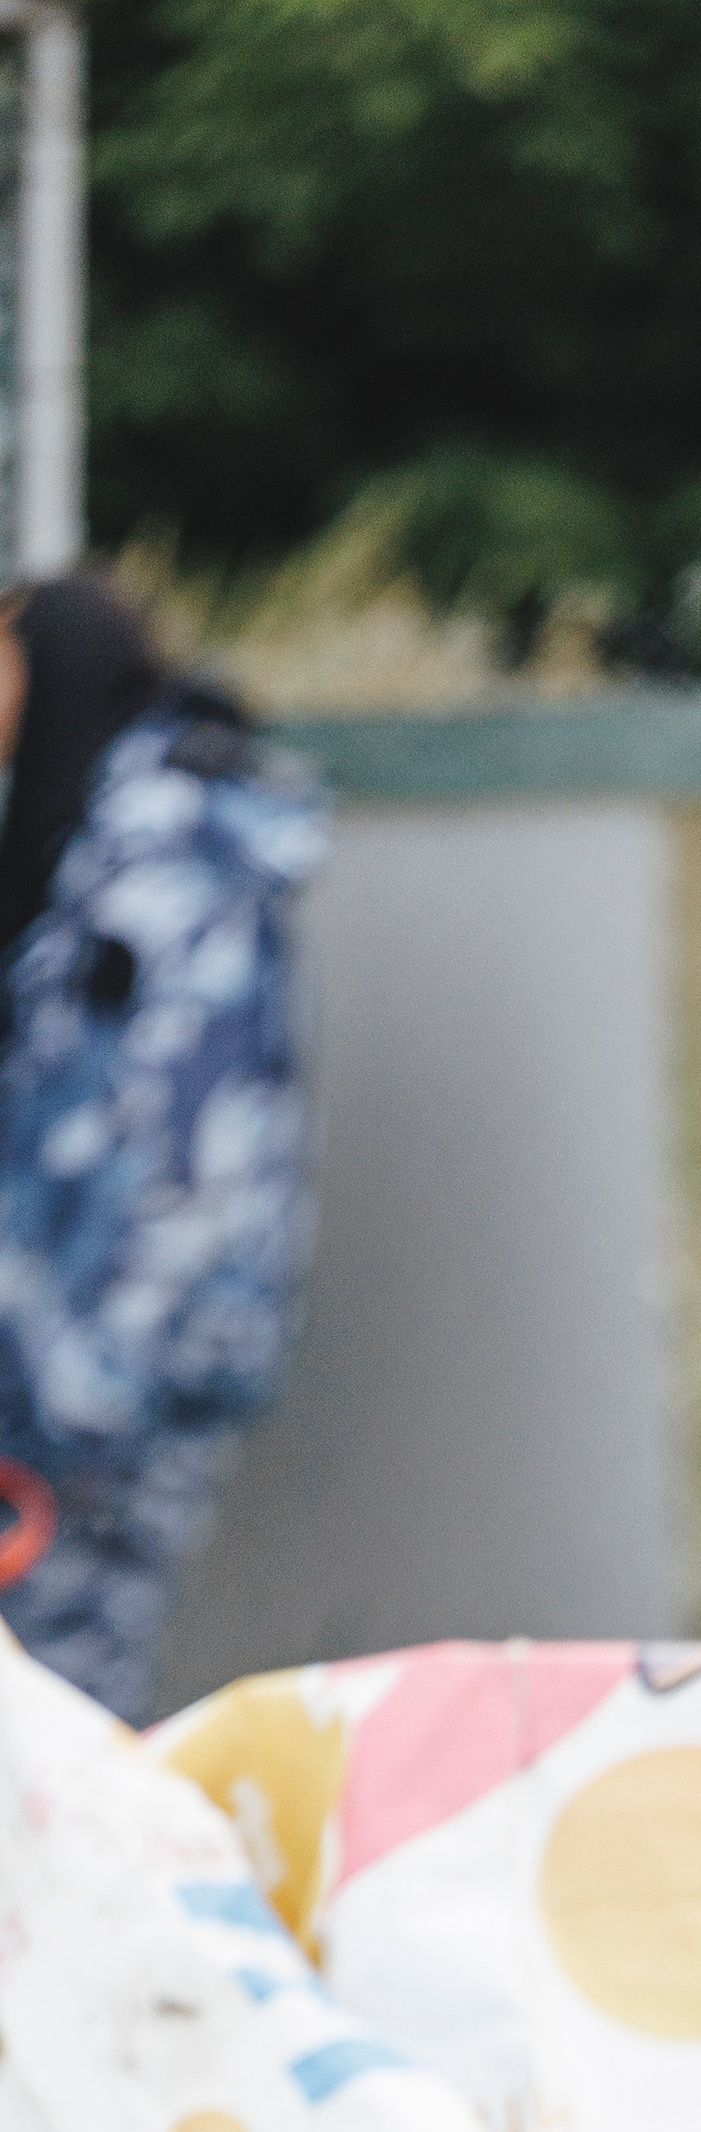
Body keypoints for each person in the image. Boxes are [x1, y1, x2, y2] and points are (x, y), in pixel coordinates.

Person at [0, 575, 327, 1723]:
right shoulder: (81, 838)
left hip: (98, 1392)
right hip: (55, 1377)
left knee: (66, 1724)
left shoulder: (163, 857)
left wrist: (87, 1386)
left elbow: (192, 1154)